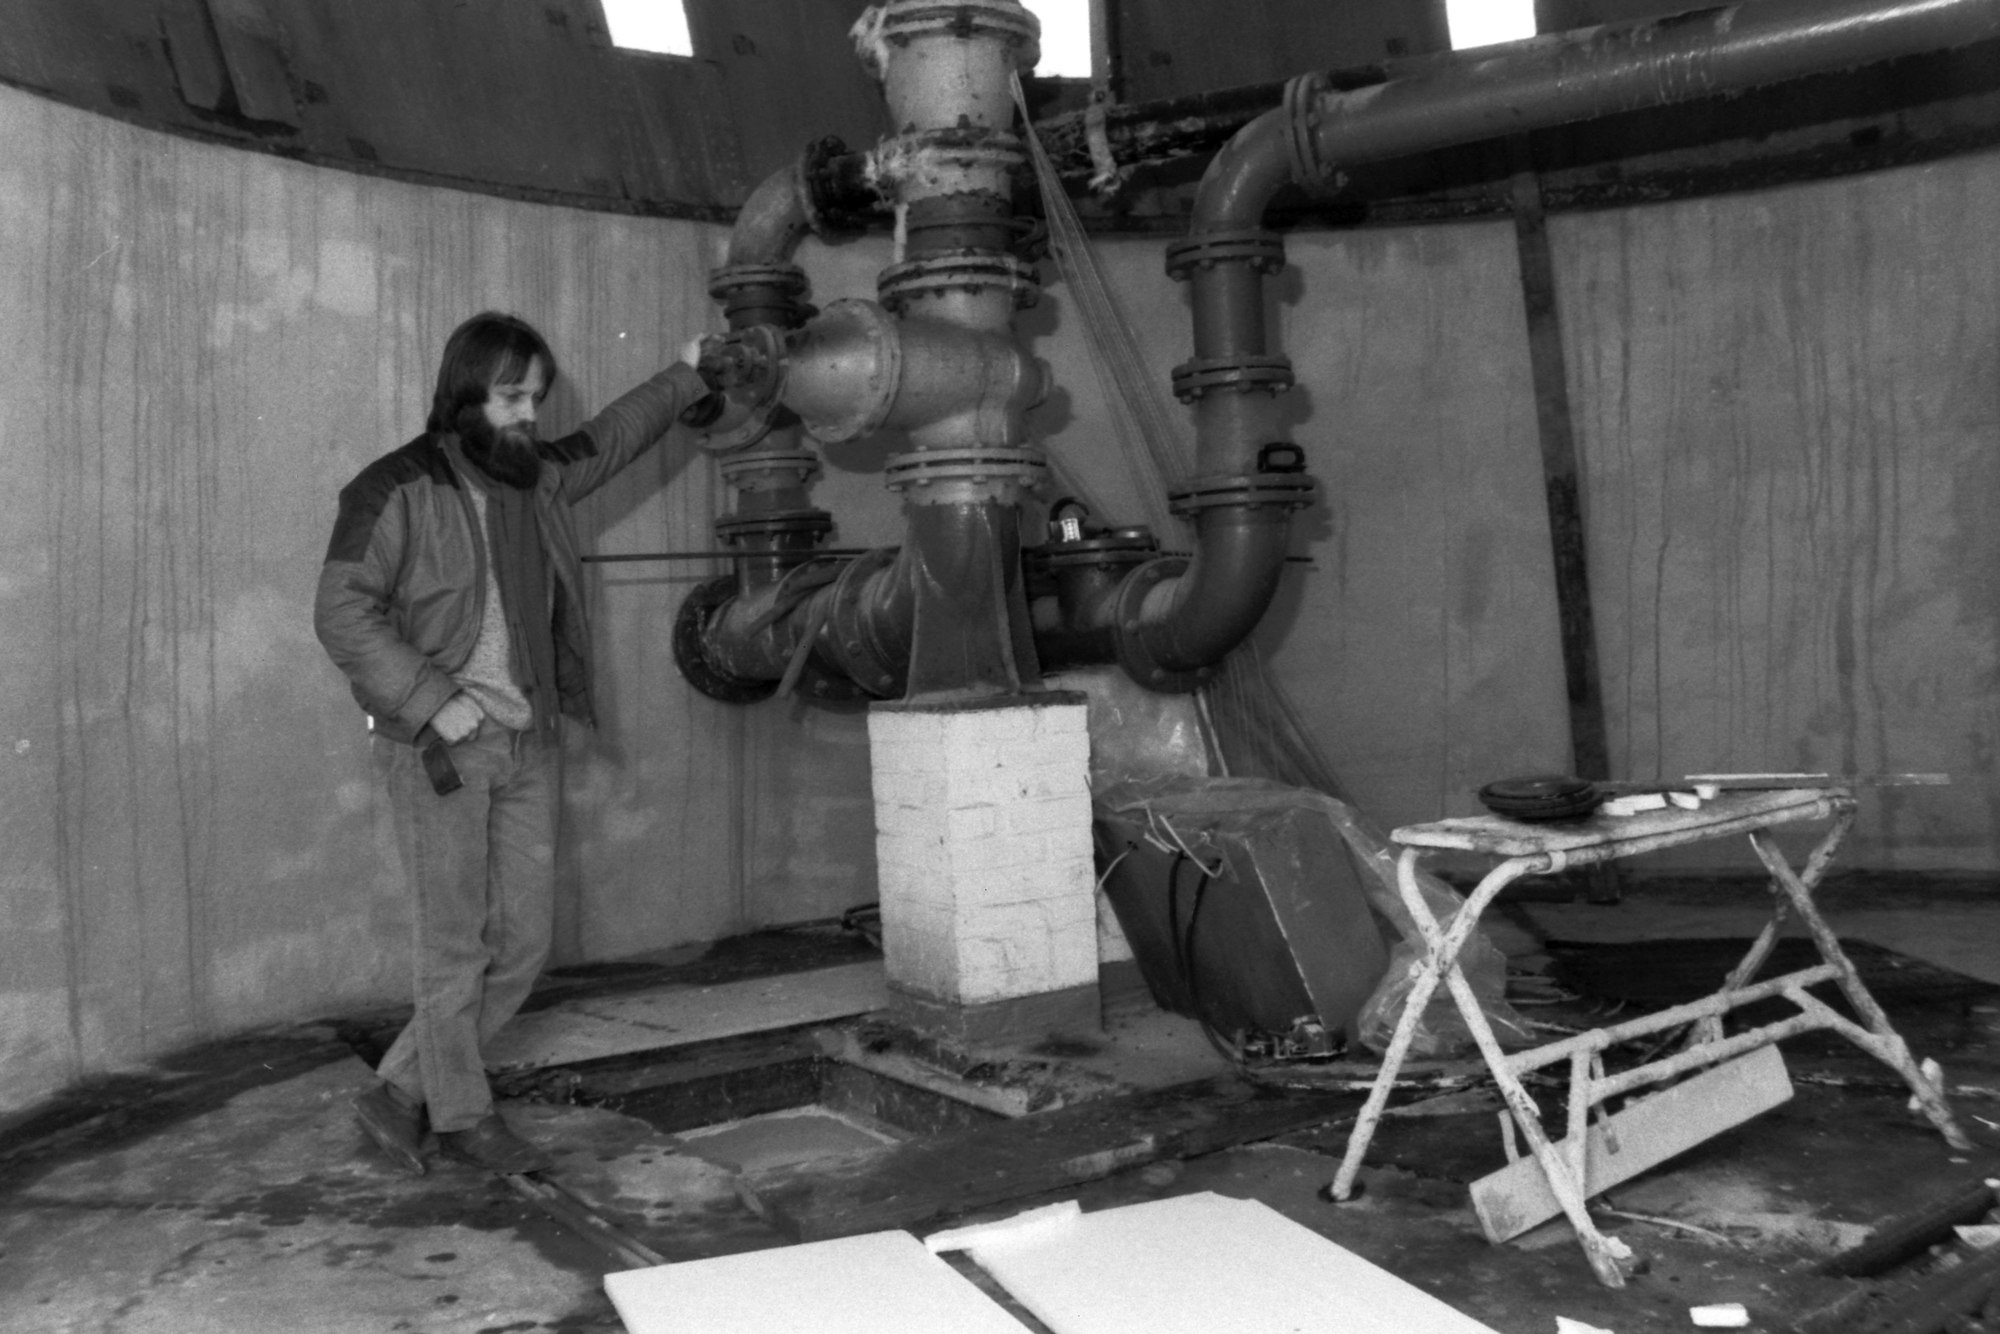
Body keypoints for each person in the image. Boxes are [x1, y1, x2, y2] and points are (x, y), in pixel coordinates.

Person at [315, 312, 719, 1175]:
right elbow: (342, 611)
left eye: (535, 397)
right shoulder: (394, 488)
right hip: (441, 754)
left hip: (528, 746)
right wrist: (433, 698)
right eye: (510, 397)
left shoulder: (537, 479)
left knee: (524, 945)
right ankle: (463, 1114)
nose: (528, 414)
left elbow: (612, 437)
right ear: (466, 395)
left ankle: (398, 1091)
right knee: (455, 948)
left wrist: (686, 376)